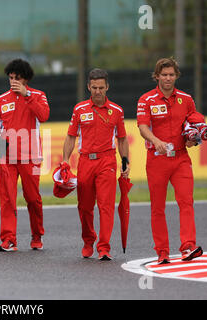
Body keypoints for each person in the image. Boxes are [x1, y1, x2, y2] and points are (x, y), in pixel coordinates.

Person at [137, 57, 203, 264]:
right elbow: (142, 127)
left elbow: (195, 125)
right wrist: (155, 141)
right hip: (157, 159)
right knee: (158, 207)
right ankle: (162, 251)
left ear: (176, 76)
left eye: (171, 74)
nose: (167, 78)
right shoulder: (146, 100)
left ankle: (188, 247)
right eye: (164, 74)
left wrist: (195, 139)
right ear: (156, 76)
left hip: (182, 158)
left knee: (186, 202)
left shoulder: (186, 99)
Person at [62, 68, 130, 261]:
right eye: (94, 88)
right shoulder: (79, 109)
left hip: (107, 160)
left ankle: (104, 247)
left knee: (106, 205)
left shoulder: (116, 111)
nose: (98, 91)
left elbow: (123, 139)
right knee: (84, 206)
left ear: (107, 87)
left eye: (101, 87)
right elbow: (70, 137)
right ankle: (88, 239)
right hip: (85, 161)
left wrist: (125, 162)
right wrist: (65, 160)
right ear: (88, 87)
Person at [0, 59, 50, 252]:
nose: (13, 81)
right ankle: (9, 239)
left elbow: (44, 115)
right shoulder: (1, 100)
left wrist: (27, 95)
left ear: (26, 79)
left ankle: (37, 234)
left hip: (31, 156)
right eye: (11, 78)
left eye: (18, 78)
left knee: (32, 198)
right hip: (7, 157)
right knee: (7, 198)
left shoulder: (38, 96)